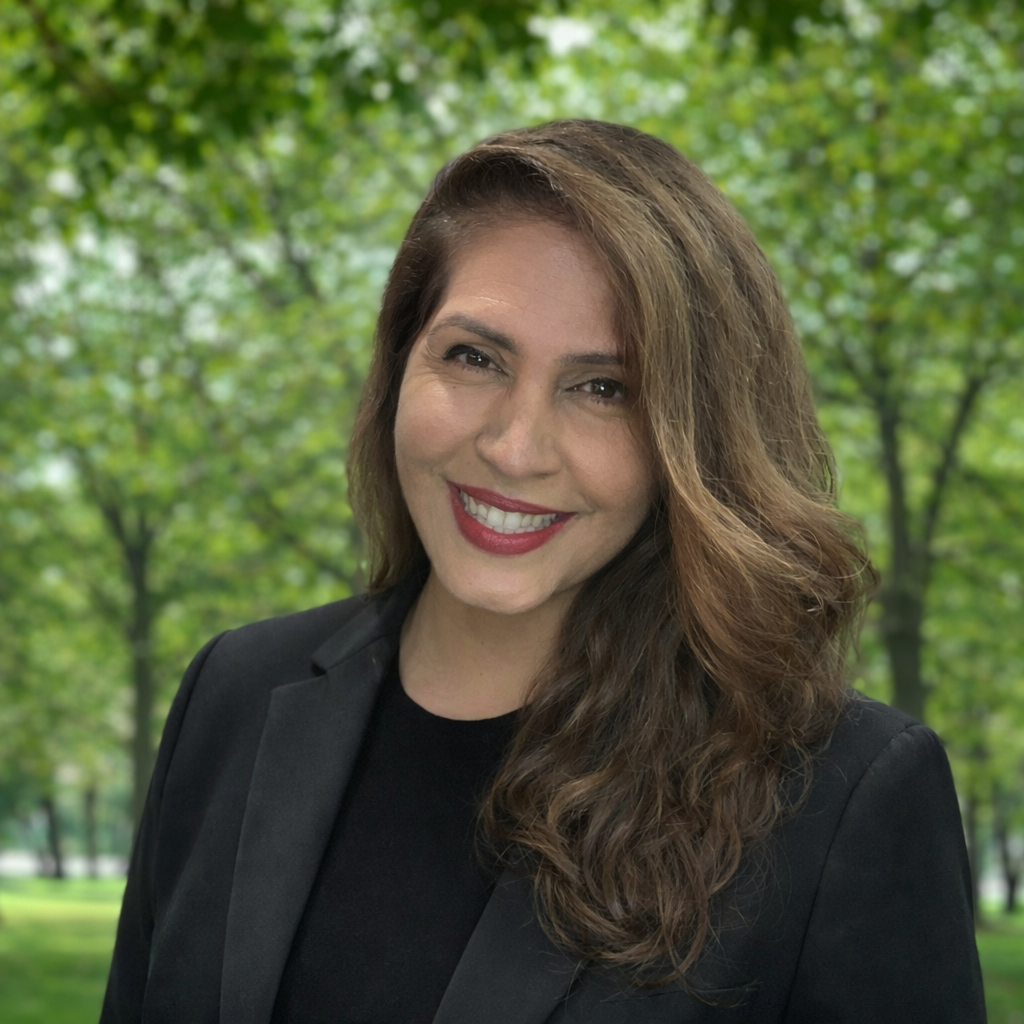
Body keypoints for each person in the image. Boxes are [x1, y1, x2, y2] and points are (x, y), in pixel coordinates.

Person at [100, 120, 985, 1024]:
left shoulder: (843, 795)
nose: (515, 449)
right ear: (399, 363)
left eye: (603, 389)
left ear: (694, 439)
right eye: (475, 358)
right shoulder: (234, 693)